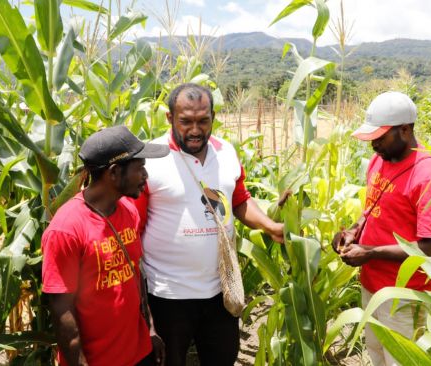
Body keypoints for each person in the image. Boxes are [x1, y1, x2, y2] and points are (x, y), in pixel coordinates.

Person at [132, 83, 284, 366]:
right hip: (167, 294)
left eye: (203, 121)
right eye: (185, 121)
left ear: (213, 116)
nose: (195, 130)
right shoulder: (149, 160)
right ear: (169, 118)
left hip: (220, 292)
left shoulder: (226, 152)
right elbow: (133, 224)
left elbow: (239, 200)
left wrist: (269, 225)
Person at [332, 91, 431, 366]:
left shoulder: (428, 176)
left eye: (380, 138)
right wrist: (352, 232)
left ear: (405, 130)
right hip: (372, 288)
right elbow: (372, 209)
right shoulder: (379, 161)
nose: (374, 145)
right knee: (377, 356)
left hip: (404, 297)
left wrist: (370, 253)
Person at [42, 125, 169, 366]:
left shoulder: (129, 211)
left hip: (139, 352)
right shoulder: (67, 229)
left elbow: (134, 273)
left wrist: (150, 328)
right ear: (113, 172)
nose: (146, 176)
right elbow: (62, 310)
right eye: (140, 167)